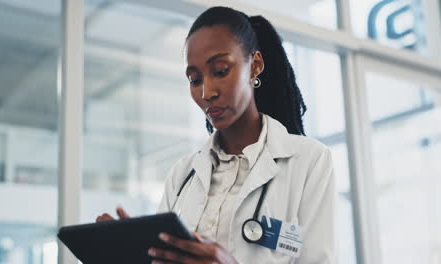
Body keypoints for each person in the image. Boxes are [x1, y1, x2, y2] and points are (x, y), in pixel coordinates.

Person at [97, 6, 336, 264]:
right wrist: (131, 252)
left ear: (254, 65)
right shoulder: (183, 174)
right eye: (194, 79)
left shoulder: (309, 161)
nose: (206, 93)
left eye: (220, 70)